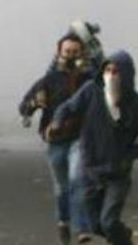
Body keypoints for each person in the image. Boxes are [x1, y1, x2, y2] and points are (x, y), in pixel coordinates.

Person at [50, 51, 138, 245]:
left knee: (108, 221)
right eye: (107, 70)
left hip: (118, 173)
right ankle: (127, 238)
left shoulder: (134, 103)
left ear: (127, 74)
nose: (111, 75)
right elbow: (67, 107)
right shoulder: (91, 90)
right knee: (94, 223)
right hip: (90, 168)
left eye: (116, 72)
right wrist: (56, 123)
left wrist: (129, 155)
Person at [19, 33, 95, 244]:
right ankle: (63, 221)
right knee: (62, 187)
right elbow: (24, 106)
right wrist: (35, 103)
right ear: (59, 53)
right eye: (67, 52)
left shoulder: (92, 80)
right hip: (55, 139)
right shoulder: (48, 80)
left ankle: (82, 229)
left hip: (81, 137)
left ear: (83, 54)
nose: (70, 56)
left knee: (77, 179)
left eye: (75, 52)